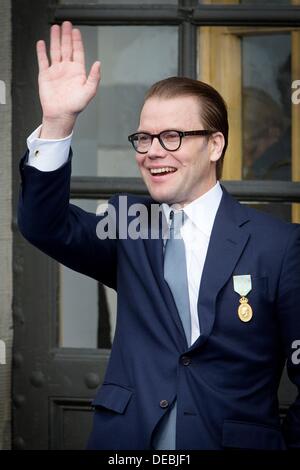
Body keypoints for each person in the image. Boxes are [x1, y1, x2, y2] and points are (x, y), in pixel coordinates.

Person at [18, 21, 300, 450]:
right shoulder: (128, 224)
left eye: (172, 137)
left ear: (215, 145)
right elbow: (44, 224)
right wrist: (58, 122)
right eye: (144, 138)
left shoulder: (278, 245)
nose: (152, 151)